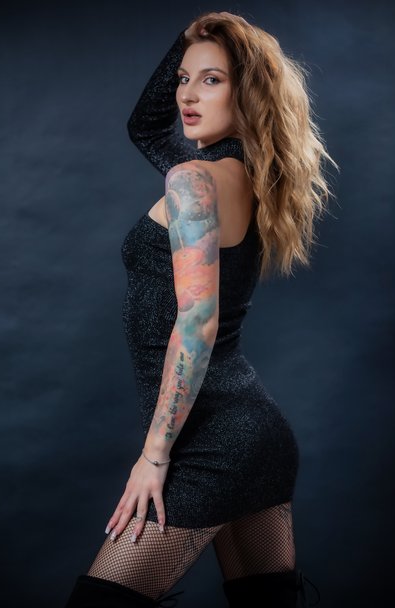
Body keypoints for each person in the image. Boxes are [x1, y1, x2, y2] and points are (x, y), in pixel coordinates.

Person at [64, 11, 336, 608]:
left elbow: (197, 322)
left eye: (211, 80)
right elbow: (145, 126)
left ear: (248, 93)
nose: (186, 95)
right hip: (254, 434)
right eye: (183, 79)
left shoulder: (193, 181)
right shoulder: (247, 177)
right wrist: (196, 37)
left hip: (210, 445)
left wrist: (153, 456)